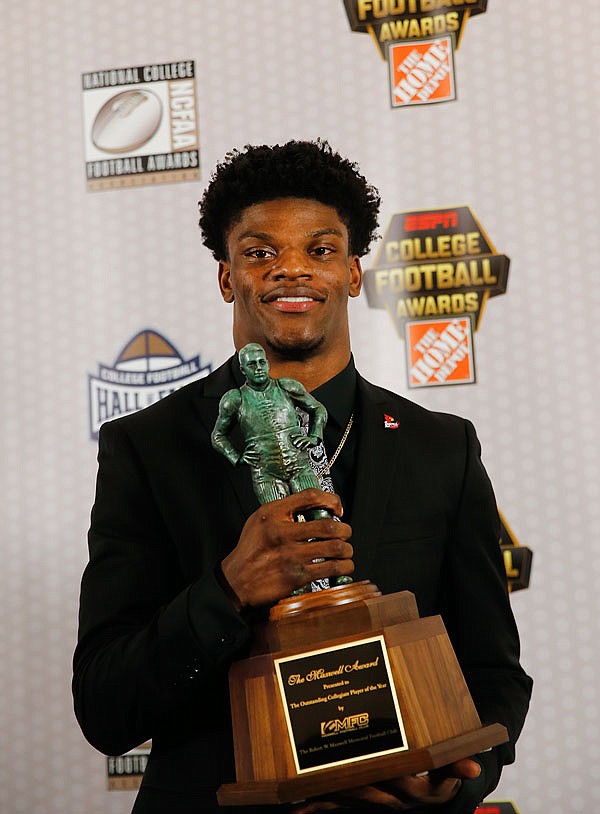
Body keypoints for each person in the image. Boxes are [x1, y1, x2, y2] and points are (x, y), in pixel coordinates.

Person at [73, 140, 532, 813]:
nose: (291, 269)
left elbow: (491, 672)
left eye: (319, 250)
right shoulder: (148, 446)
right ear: (228, 277)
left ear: (352, 272)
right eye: (260, 252)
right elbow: (106, 708)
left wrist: (454, 780)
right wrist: (227, 590)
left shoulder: (441, 447)